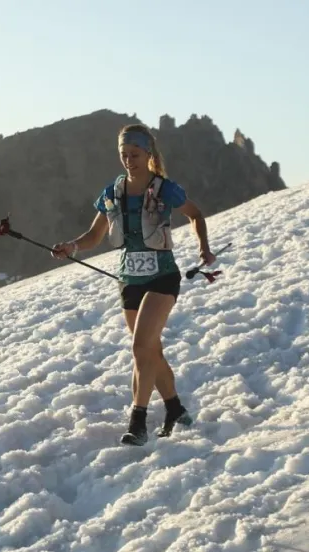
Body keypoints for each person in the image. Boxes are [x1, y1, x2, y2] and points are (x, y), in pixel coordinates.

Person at [51, 123, 215, 445]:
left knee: (140, 347)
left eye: (135, 154)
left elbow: (195, 214)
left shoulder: (164, 188)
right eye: (124, 155)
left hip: (162, 278)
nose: (129, 160)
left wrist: (203, 248)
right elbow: (95, 236)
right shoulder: (112, 192)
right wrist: (71, 246)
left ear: (148, 154)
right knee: (150, 350)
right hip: (128, 281)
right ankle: (174, 407)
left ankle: (137, 422)